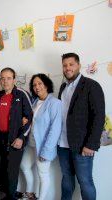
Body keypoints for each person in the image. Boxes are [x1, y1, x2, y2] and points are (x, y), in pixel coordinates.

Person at [57, 53, 105, 200]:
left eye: (71, 64)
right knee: (66, 180)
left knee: (85, 182)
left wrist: (91, 144)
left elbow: (99, 117)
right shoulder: (63, 87)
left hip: (82, 146)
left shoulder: (91, 86)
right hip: (62, 145)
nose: (67, 68)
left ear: (78, 65)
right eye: (65, 65)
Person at [0, 67, 32, 200]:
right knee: (1, 167)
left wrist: (21, 137)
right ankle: (4, 192)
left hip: (15, 137)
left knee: (12, 171)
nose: (5, 81)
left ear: (14, 79)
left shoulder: (21, 94)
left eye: (8, 78)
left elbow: (30, 117)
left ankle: (11, 196)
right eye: (3, 78)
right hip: (0, 137)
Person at [20, 73, 62, 200]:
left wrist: (46, 150)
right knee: (24, 166)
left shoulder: (55, 103)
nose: (37, 87)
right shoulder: (35, 102)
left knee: (42, 174)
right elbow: (33, 121)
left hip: (43, 146)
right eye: (34, 85)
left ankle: (41, 198)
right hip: (31, 143)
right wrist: (25, 121)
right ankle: (30, 193)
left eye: (40, 84)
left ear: (47, 85)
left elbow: (55, 129)